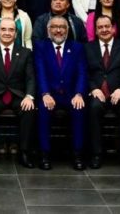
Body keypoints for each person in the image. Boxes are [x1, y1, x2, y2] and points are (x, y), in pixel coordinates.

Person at [0, 17, 36, 168]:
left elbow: (30, 77)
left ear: (16, 33)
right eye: (3, 29)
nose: (7, 33)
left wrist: (29, 96)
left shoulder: (25, 53)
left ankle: (24, 152)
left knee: (29, 109)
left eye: (11, 30)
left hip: (17, 96)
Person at [35, 16, 87, 171]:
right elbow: (40, 71)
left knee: (79, 109)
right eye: (54, 27)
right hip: (49, 94)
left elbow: (82, 73)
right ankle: (45, 154)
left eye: (62, 27)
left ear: (68, 30)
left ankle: (77, 154)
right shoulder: (41, 47)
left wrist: (79, 94)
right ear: (48, 30)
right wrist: (44, 93)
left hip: (71, 94)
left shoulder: (77, 47)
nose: (58, 30)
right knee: (43, 112)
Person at [85, 14, 120, 169]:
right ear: (95, 30)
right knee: (93, 107)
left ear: (113, 28)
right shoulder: (87, 48)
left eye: (107, 26)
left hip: (118, 92)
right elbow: (84, 72)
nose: (104, 30)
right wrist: (93, 88)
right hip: (97, 92)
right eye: (100, 27)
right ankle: (96, 153)